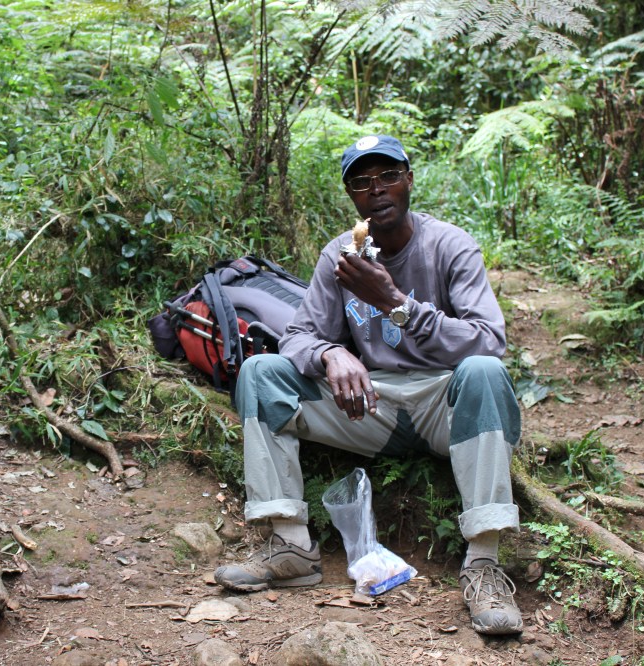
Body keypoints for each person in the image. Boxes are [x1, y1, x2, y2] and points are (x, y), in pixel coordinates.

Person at [213, 134, 523, 635]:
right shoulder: (342, 254)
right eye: (361, 182)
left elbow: (488, 341)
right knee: (260, 372)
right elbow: (297, 337)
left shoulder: (450, 245)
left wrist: (395, 303)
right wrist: (331, 352)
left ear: (409, 181)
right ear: (351, 195)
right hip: (369, 408)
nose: (376, 190)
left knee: (484, 372)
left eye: (387, 177)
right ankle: (291, 546)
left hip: (444, 404)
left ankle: (484, 564)